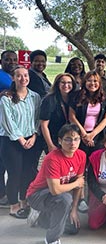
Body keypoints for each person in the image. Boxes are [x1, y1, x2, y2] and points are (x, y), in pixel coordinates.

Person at [26, 124, 86, 244]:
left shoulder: (81, 155)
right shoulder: (52, 159)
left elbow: (79, 184)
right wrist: (76, 184)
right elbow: (56, 190)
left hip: (56, 196)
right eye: (68, 139)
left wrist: (74, 210)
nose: (72, 143)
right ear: (59, 141)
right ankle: (52, 239)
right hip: (37, 195)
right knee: (65, 199)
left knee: (73, 228)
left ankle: (42, 218)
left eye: (76, 139)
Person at [0, 65, 41, 219]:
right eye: (19, 76)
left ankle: (24, 201)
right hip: (11, 141)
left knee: (27, 173)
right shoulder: (6, 98)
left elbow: (37, 118)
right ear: (13, 78)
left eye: (26, 76)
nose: (23, 79)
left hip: (31, 139)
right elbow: (7, 122)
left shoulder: (35, 97)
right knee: (14, 173)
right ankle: (14, 206)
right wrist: (21, 139)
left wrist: (34, 136)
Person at [69, 71, 106, 156]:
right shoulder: (76, 96)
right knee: (79, 161)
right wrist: (84, 134)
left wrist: (92, 135)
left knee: (95, 162)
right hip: (78, 134)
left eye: (95, 81)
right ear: (84, 82)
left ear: (99, 83)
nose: (92, 83)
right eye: (89, 80)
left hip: (98, 136)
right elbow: (71, 116)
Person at [40, 73, 77, 152]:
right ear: (57, 84)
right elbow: (44, 125)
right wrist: (50, 145)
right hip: (54, 138)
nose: (66, 85)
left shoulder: (75, 98)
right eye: (63, 82)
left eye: (69, 83)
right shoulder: (49, 100)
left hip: (70, 138)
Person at [0, 50, 18, 206]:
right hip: (1, 126)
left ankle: (8, 193)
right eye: (7, 59)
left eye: (14, 59)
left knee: (10, 163)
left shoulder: (17, 75)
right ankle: (1, 195)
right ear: (1, 61)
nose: (11, 62)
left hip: (15, 127)